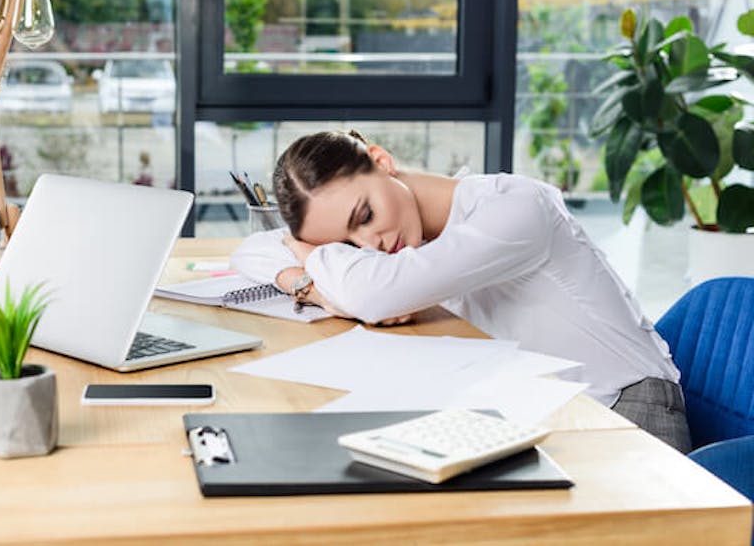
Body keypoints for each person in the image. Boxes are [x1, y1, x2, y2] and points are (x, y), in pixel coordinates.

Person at [230, 130, 691, 453]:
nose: (369, 246)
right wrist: (311, 283)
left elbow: (371, 296)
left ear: (382, 161)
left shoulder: (512, 209)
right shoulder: (411, 244)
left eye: (364, 216)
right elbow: (251, 251)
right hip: (536, 407)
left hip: (624, 409)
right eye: (346, 244)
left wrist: (317, 267)